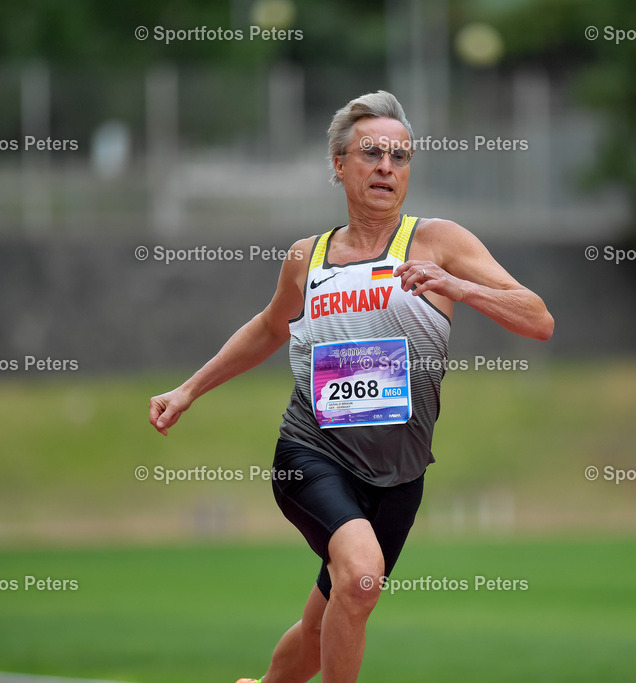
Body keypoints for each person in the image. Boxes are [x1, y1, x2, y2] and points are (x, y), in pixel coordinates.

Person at [148, 90, 554, 683]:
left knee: (328, 620)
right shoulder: (305, 259)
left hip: (398, 475)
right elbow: (267, 328)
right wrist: (187, 391)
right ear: (339, 165)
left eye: (400, 155)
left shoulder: (438, 242)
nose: (387, 166)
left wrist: (459, 287)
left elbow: (537, 318)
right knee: (361, 579)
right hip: (312, 453)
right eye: (372, 154)